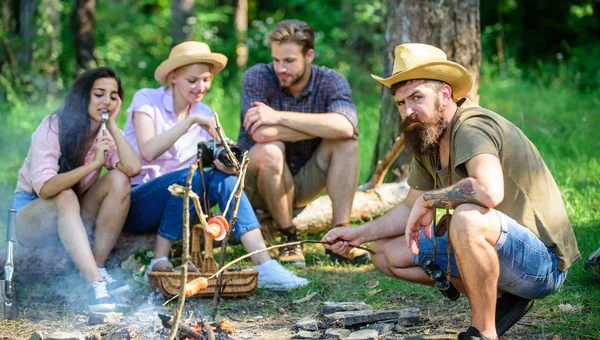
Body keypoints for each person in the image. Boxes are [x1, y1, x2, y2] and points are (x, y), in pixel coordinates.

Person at [322, 43, 580, 339]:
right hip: (499, 251)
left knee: (468, 219)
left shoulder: (472, 126)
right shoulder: (425, 135)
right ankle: (498, 297)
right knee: (383, 253)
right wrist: (358, 233)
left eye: (417, 97)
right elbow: (409, 208)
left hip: (542, 264)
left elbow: (488, 190)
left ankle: (484, 330)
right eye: (401, 103)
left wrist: (430, 199)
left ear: (445, 95)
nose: (408, 111)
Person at [122, 41, 308, 291]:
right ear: (173, 77)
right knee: (193, 177)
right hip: (140, 201)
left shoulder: (204, 111)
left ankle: (263, 264)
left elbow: (217, 160)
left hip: (182, 201)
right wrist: (191, 121)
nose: (201, 87)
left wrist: (228, 162)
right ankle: (159, 257)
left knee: (222, 179)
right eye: (193, 80)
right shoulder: (147, 99)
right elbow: (148, 149)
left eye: (206, 80)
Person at [237, 19, 369, 268]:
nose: (280, 68)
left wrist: (278, 117)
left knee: (346, 143)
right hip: (256, 182)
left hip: (302, 179)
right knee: (270, 149)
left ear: (309, 55)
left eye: (289, 61)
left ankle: (341, 236)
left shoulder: (331, 81)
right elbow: (260, 133)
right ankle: (288, 238)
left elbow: (345, 126)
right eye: (276, 60)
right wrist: (319, 127)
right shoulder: (257, 77)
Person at [12, 67, 142, 312]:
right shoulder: (53, 125)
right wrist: (94, 163)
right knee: (64, 194)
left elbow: (133, 168)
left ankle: (97, 269)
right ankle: (94, 285)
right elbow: (47, 188)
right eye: (99, 94)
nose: (107, 101)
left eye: (114, 96)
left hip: (74, 217)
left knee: (119, 180)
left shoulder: (105, 133)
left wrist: (113, 125)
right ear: (83, 96)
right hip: (31, 218)